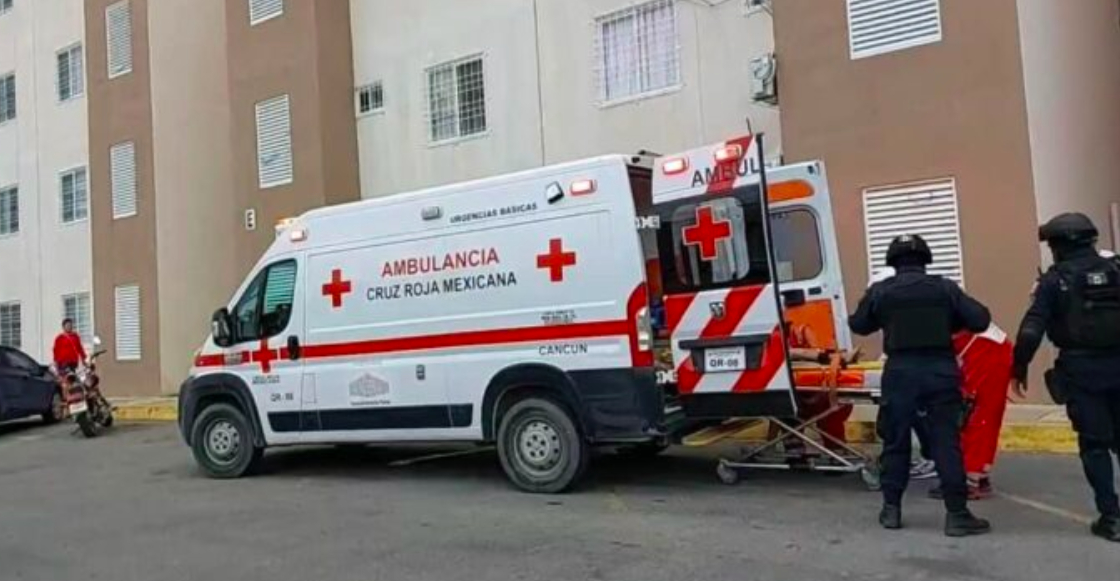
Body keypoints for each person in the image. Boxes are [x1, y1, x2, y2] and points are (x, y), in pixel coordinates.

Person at [849, 234, 992, 536]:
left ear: (893, 261)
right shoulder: (945, 288)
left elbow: (858, 324)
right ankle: (957, 514)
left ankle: (891, 510)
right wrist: (950, 321)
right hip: (940, 371)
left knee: (895, 441)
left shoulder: (882, 291)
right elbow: (980, 320)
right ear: (925, 259)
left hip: (900, 372)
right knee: (946, 442)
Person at [1010, 212, 1120, 542]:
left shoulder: (1054, 281)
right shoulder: (1116, 269)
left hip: (1082, 371)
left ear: (1057, 246)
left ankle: (1112, 518)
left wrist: (1019, 367)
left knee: (1094, 445)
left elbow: (1032, 329)